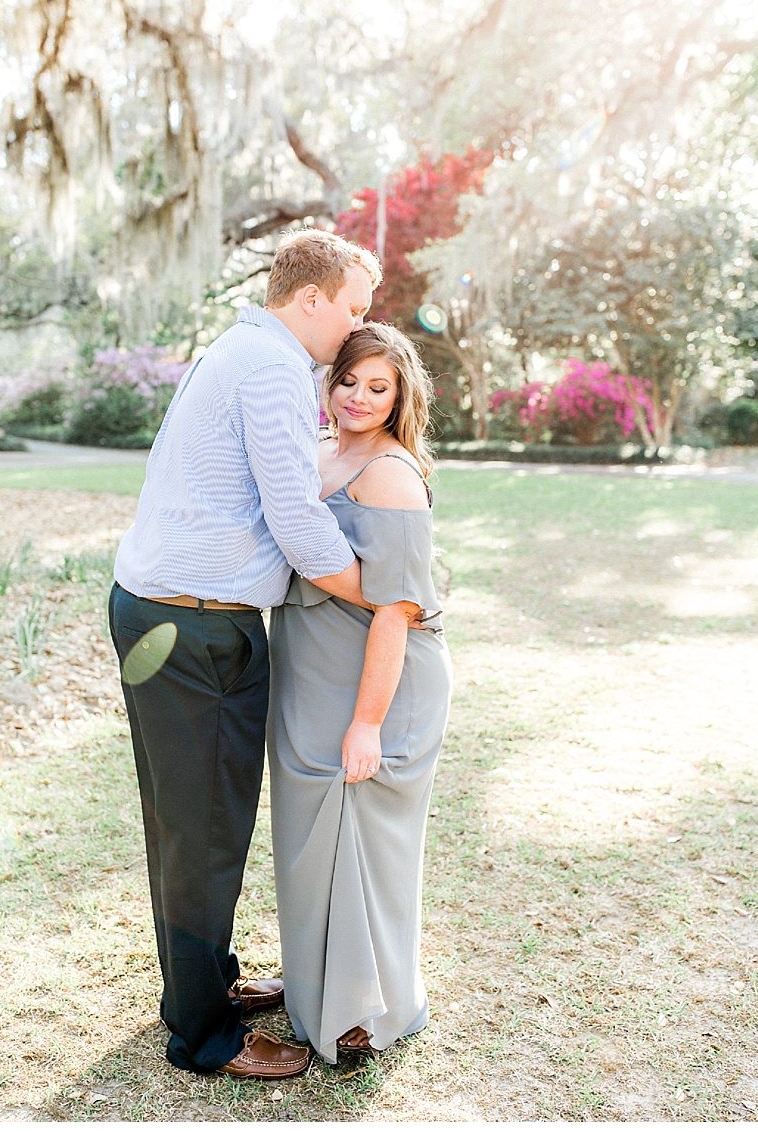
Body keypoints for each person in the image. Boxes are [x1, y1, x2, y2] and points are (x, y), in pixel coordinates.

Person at [107, 229, 383, 1080]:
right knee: (206, 833)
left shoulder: (246, 350)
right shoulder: (266, 366)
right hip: (193, 627)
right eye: (352, 309)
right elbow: (298, 520)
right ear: (311, 298)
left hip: (171, 614)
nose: (354, 328)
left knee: (192, 824)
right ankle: (203, 1037)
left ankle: (206, 985)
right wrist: (388, 598)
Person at [268, 322, 450, 1064]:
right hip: (311, 673)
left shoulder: (391, 473)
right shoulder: (316, 454)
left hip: (381, 682)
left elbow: (398, 609)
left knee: (364, 842)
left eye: (379, 387)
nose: (359, 398)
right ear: (327, 380)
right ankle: (314, 986)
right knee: (310, 842)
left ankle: (364, 1011)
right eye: (348, 380)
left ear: (401, 396)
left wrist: (367, 723)